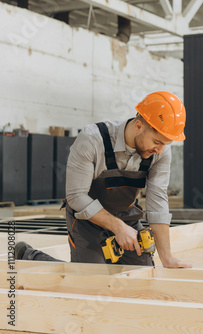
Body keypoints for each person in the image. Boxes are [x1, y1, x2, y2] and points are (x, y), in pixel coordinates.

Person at [16, 91, 192, 268]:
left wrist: (167, 258)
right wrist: (118, 228)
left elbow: (158, 201)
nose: (160, 150)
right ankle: (29, 255)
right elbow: (76, 196)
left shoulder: (159, 152)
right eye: (157, 142)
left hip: (126, 216)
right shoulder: (92, 140)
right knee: (91, 278)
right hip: (87, 220)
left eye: (165, 144)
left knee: (143, 274)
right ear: (138, 126)